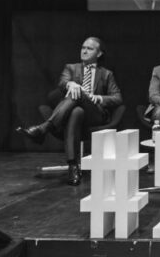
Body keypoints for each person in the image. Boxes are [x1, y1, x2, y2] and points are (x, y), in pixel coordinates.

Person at [16, 37, 122, 186]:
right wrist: (70, 83)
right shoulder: (71, 68)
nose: (84, 51)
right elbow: (62, 82)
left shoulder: (106, 74)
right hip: (76, 113)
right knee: (76, 111)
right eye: (83, 48)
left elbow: (117, 98)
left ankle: (44, 128)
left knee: (78, 92)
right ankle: (73, 166)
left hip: (95, 114)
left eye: (89, 49)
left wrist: (98, 98)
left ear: (99, 54)